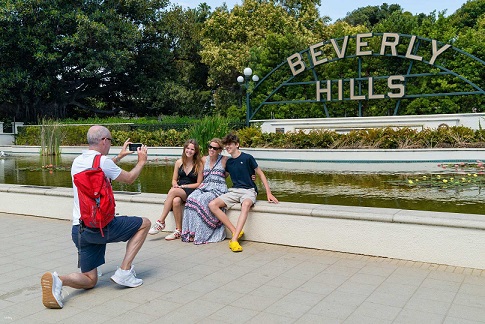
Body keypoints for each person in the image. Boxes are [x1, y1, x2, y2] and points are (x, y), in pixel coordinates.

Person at [41, 125, 151, 309]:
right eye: (110, 141)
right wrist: (141, 161)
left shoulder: (77, 162)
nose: (110, 144)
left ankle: (58, 280)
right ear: (104, 141)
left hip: (79, 229)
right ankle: (124, 271)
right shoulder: (103, 162)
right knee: (144, 224)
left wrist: (120, 156)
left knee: (90, 280)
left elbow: (101, 169)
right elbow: (130, 178)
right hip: (101, 227)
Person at [209, 133, 278, 252]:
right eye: (226, 145)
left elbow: (260, 174)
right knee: (212, 204)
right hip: (234, 191)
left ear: (237, 145)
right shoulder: (229, 162)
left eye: (230, 144)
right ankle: (236, 231)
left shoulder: (247, 158)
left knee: (245, 204)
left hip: (248, 191)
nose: (227, 147)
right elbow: (222, 176)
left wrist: (269, 193)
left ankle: (234, 240)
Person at [148, 139, 203, 240]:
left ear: (195, 151)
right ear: (184, 149)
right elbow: (174, 180)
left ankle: (161, 222)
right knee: (176, 201)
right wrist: (175, 185)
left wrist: (184, 187)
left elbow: (199, 184)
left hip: (191, 189)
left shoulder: (198, 165)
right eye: (188, 148)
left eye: (192, 149)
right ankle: (178, 230)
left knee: (173, 191)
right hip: (179, 188)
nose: (189, 151)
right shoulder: (179, 162)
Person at [181, 138, 228, 244]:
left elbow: (235, 171)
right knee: (191, 198)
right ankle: (191, 232)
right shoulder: (203, 159)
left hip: (218, 189)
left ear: (220, 150)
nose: (211, 149)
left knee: (202, 200)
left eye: (215, 148)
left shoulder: (225, 159)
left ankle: (201, 234)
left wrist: (251, 176)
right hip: (204, 186)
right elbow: (197, 173)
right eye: (210, 147)